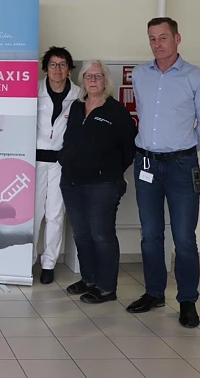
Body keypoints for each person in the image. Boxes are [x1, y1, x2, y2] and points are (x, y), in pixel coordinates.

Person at [127, 17, 200, 328]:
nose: (156, 44)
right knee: (150, 235)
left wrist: (183, 151)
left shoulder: (197, 78)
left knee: (184, 238)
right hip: (147, 164)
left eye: (163, 37)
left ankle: (188, 300)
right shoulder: (140, 74)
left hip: (181, 166)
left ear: (177, 39)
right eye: (152, 38)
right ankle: (154, 293)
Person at [59, 60, 136, 304]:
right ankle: (89, 279)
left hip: (102, 186)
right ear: (82, 80)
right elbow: (69, 140)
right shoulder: (76, 107)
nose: (93, 80)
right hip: (72, 183)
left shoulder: (116, 111)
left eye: (98, 76)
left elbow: (129, 149)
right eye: (88, 76)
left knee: (101, 236)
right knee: (82, 235)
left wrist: (108, 171)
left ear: (106, 81)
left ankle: (106, 287)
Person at [34, 46, 80, 285]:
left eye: (63, 65)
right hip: (34, 161)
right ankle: (27, 259)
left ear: (69, 69)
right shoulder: (33, 91)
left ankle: (48, 263)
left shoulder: (79, 96)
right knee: (33, 214)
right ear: (45, 68)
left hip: (61, 163)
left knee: (55, 214)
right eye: (53, 64)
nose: (58, 69)